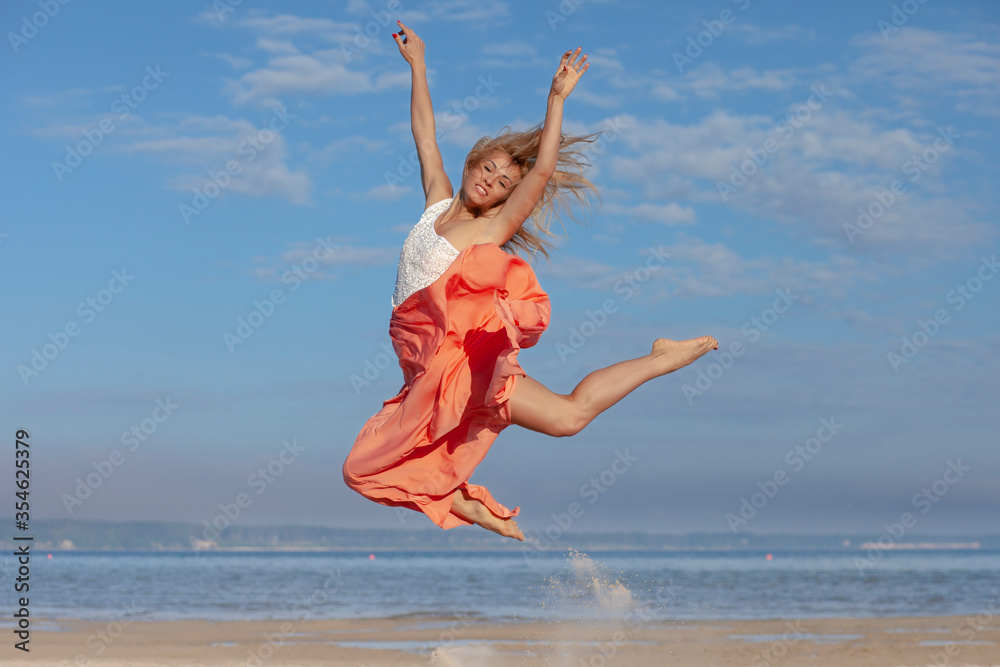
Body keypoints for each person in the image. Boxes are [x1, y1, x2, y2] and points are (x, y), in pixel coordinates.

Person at [343, 21, 718, 542]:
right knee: (363, 470)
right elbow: (426, 137)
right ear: (474, 161)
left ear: (503, 200)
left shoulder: (487, 230)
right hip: (425, 370)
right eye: (489, 170)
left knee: (566, 419)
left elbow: (539, 176)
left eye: (501, 185)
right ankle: (466, 504)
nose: (490, 182)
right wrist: (419, 66)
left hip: (458, 365)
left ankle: (659, 359)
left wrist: (555, 99)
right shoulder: (435, 206)